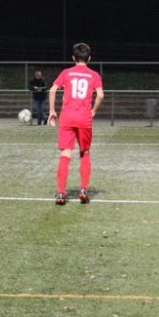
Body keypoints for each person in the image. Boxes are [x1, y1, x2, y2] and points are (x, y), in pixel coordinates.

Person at [47, 43, 104, 205]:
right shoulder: (94, 75)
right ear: (89, 58)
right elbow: (100, 95)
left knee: (65, 154)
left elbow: (52, 90)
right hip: (84, 118)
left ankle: (61, 192)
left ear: (73, 57)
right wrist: (94, 111)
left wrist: (52, 111)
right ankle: (83, 189)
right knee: (84, 152)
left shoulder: (67, 73)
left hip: (67, 118)